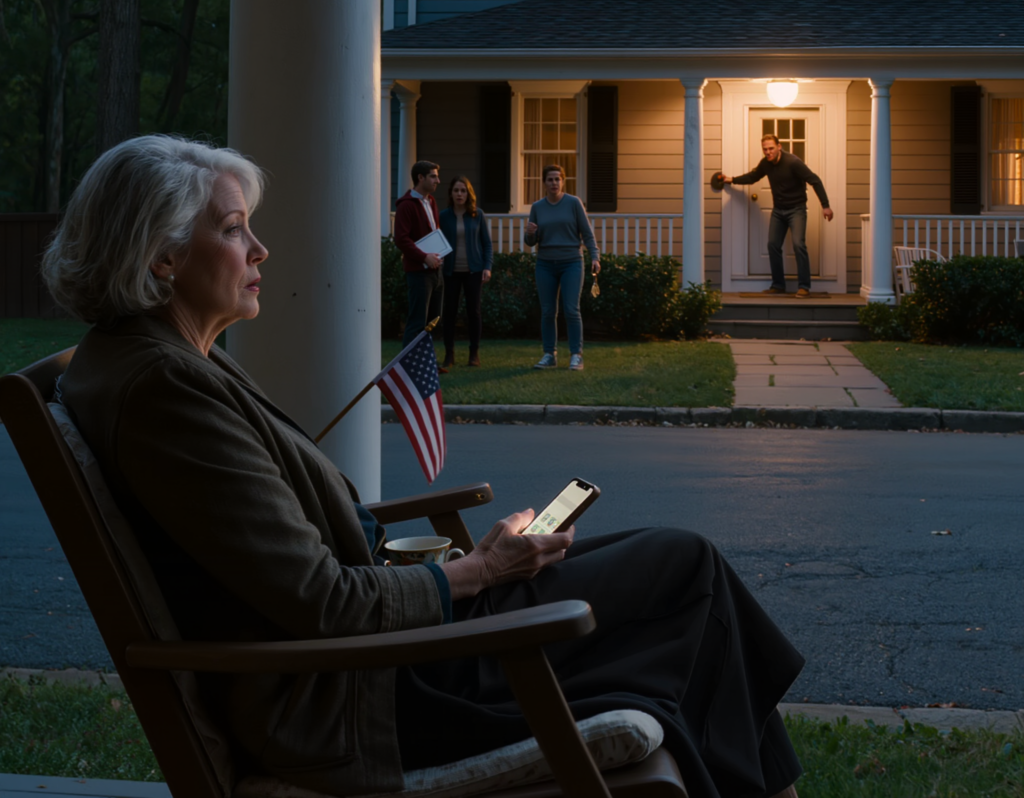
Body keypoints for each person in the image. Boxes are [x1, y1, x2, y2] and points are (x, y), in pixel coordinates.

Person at [43, 135, 805, 798]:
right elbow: (322, 602)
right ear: (162, 257)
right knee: (687, 573)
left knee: (682, 579)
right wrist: (481, 571)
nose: (261, 251)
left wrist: (477, 563)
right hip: (376, 694)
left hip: (383, 653)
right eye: (237, 230)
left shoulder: (162, 362)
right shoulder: (163, 391)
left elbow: (293, 562)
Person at [723, 134, 834, 297]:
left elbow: (814, 180)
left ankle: (804, 286)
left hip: (797, 209)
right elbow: (752, 177)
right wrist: (731, 179)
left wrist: (825, 206)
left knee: (798, 245)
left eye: (771, 148)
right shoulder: (765, 164)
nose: (768, 152)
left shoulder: (793, 162)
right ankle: (778, 285)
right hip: (778, 210)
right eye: (765, 149)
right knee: (773, 245)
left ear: (779, 147)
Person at [524, 164, 600, 371]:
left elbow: (587, 233)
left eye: (557, 179)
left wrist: (595, 257)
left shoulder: (573, 203)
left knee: (571, 309)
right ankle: (550, 354)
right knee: (548, 311)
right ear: (544, 183)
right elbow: (530, 241)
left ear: (563, 181)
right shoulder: (537, 207)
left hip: (571, 263)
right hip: (545, 264)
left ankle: (576, 355)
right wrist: (530, 233)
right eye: (550, 179)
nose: (554, 183)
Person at [393, 160, 446, 359]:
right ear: (420, 178)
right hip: (418, 272)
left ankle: (425, 364)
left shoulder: (431, 201)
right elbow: (401, 239)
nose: (438, 181)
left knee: (433, 320)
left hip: (436, 270)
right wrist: (424, 256)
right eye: (433, 176)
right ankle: (409, 366)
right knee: (417, 322)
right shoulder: (406, 206)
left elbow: (433, 232)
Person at [439, 175, 493, 368]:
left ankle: (474, 354)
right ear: (451, 194)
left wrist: (488, 267)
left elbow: (487, 244)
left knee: (474, 312)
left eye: (463, 191)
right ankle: (449, 355)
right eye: (456, 191)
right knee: (450, 312)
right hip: (450, 272)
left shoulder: (477, 215)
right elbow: (437, 242)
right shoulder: (443, 216)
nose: (459, 194)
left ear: (468, 193)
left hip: (474, 270)